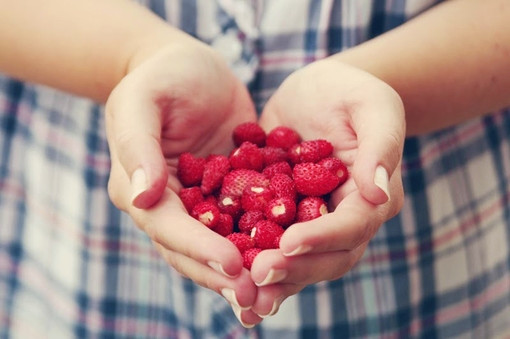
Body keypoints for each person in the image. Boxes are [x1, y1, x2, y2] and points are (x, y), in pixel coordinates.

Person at [0, 0, 509, 337]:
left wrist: (381, 83)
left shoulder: (260, 178)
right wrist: (135, 55)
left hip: (429, 267)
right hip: (81, 252)